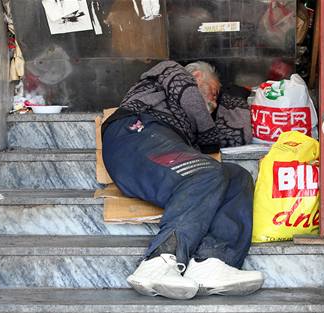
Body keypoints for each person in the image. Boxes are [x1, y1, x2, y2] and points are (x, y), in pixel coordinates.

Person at [102, 60, 263, 300]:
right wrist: (208, 137)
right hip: (135, 133)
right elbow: (198, 113)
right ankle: (159, 261)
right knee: (207, 171)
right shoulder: (170, 71)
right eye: (214, 92)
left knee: (236, 176)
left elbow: (237, 134)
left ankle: (212, 262)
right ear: (197, 76)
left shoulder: (193, 120)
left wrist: (234, 95)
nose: (215, 102)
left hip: (163, 153)